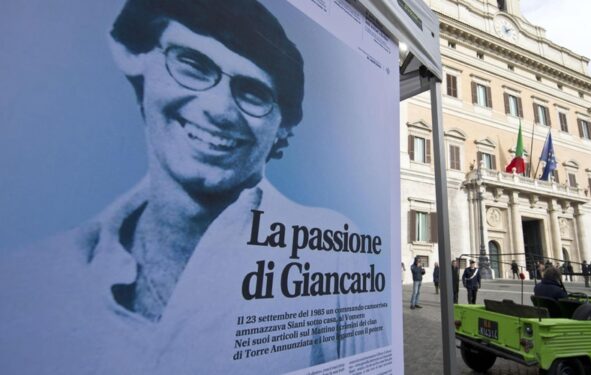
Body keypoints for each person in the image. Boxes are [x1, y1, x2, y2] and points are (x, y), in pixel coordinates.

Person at [0, 1, 387, 373]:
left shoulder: (331, 249)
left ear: (281, 128)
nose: (218, 109)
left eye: (253, 92)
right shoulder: (35, 280)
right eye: (193, 65)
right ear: (134, 57)